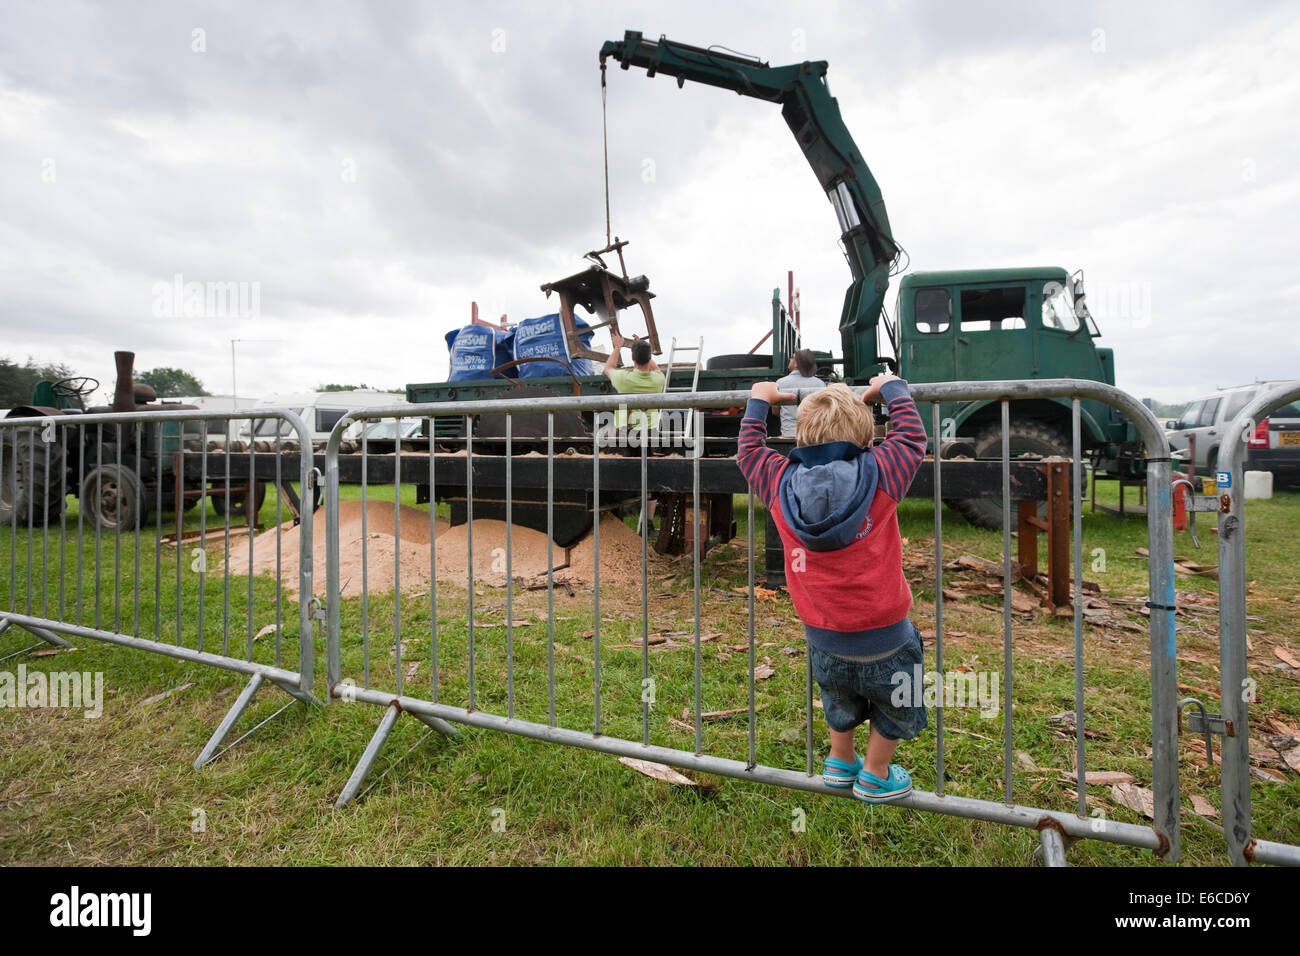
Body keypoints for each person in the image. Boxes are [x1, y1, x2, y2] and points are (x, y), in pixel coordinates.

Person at [737, 374, 928, 803]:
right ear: (866, 436)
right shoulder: (881, 471)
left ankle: (841, 762)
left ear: (800, 436)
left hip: (822, 637)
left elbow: (749, 451)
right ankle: (876, 773)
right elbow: (914, 437)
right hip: (887, 635)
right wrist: (892, 387)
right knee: (898, 702)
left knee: (838, 700)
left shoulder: (778, 482)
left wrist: (758, 401)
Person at [602, 332, 665, 431]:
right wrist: (641, 347)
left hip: (626, 435)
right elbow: (655, 368)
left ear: (632, 358)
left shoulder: (624, 379)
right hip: (651, 434)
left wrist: (618, 347)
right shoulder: (659, 379)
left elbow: (608, 368)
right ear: (649, 357)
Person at [774, 348, 825, 437]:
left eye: (792, 357)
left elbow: (775, 411)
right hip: (814, 435)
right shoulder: (820, 384)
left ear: (797, 364)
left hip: (789, 434)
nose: (789, 359)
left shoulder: (780, 383)